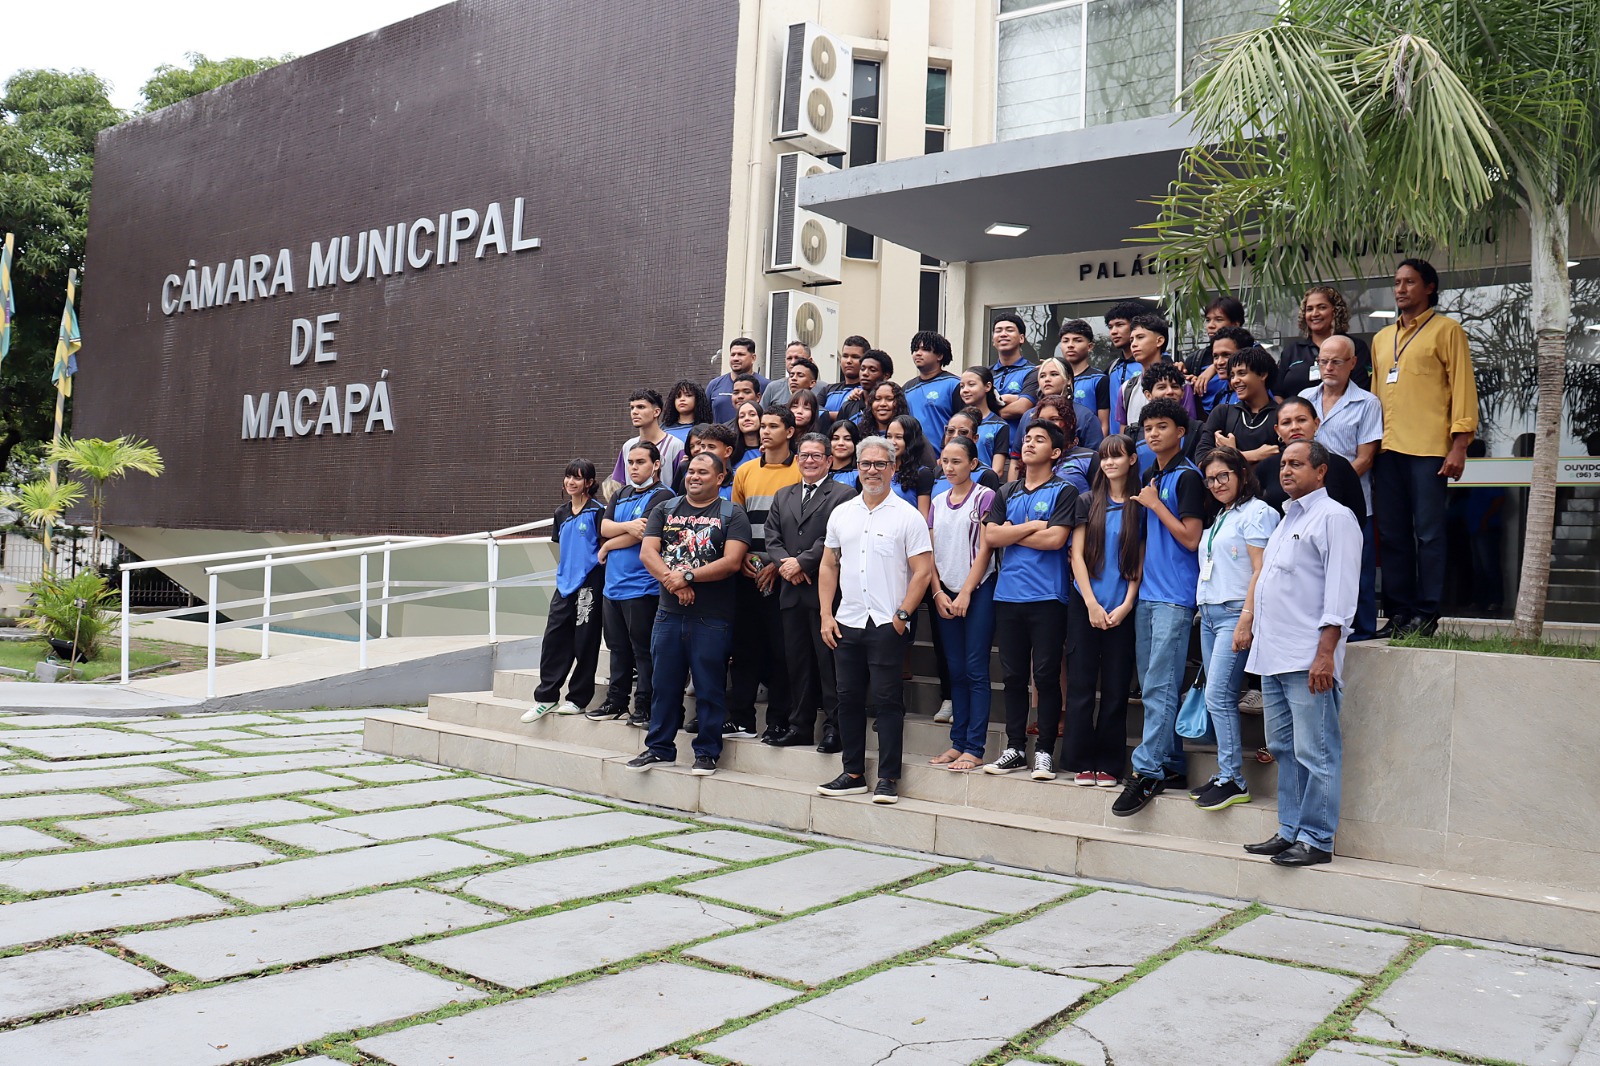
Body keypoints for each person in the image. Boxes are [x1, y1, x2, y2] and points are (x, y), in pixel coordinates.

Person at [1242, 440, 1361, 866]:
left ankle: (1317, 840)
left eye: (1296, 464)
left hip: (1308, 658)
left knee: (1317, 751)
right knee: (1285, 749)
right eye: (1283, 464)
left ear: (1321, 471)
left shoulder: (1335, 518)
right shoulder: (1285, 519)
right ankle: (1289, 830)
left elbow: (1341, 592)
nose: (1285, 471)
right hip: (1273, 657)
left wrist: (1326, 654)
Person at [817, 435, 935, 805]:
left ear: (893, 468)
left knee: (887, 702)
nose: (872, 470)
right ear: (857, 467)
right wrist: (825, 614)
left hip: (887, 623)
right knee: (847, 699)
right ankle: (852, 773)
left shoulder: (908, 516)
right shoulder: (842, 513)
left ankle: (887, 778)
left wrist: (902, 616)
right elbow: (828, 564)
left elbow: (923, 571)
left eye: (880, 464)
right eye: (865, 464)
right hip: (847, 620)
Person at [1370, 258, 1479, 638]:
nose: (1401, 289)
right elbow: (1374, 398)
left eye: (1410, 282)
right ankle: (1399, 612)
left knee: (1429, 534)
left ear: (1429, 287)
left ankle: (1427, 614)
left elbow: (1463, 387)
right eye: (1397, 282)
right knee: (1394, 534)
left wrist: (1460, 444)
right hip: (1387, 449)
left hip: (1431, 448)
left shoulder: (1447, 331)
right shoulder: (1382, 339)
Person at [626, 453, 753, 776]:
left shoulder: (732, 513)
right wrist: (674, 580)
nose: (694, 476)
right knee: (664, 685)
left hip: (712, 618)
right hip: (668, 615)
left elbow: (732, 562)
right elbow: (648, 551)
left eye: (703, 472)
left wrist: (689, 577)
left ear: (720, 478)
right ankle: (659, 748)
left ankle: (707, 752)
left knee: (709, 688)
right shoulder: (666, 508)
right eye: (691, 471)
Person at [1113, 398, 1205, 817]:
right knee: (1153, 684)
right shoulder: (1152, 474)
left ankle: (1146, 770)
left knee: (1161, 685)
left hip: (1175, 596)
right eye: (1148, 427)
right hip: (1148, 593)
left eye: (1162, 426)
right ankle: (1170, 764)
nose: (1152, 434)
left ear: (1180, 432)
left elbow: (1190, 538)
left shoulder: (1187, 477)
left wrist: (1154, 505)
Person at [982, 420, 1078, 781]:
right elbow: (991, 535)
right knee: (1012, 676)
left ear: (1055, 452)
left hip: (1048, 597)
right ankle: (1014, 747)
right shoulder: (1007, 491)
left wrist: (1011, 533)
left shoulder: (1064, 491)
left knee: (1046, 677)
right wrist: (1034, 526)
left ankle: (1045, 753)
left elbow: (1055, 541)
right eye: (1027, 438)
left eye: (1039, 440)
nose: (1029, 443)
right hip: (1008, 596)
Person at [1189, 446, 1279, 810]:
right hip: (1209, 615)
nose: (1216, 484)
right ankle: (1225, 774)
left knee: (1218, 697)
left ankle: (1234, 779)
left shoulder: (1258, 512)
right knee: (1220, 698)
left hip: (1233, 614)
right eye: (1210, 479)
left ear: (1242, 473)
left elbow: (1261, 570)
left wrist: (1247, 617)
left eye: (1222, 476)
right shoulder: (1223, 515)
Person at [764, 432, 856, 751]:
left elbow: (833, 536)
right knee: (798, 662)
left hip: (825, 592)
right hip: (790, 591)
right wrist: (785, 564)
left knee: (828, 663)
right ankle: (800, 725)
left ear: (829, 460)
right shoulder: (783, 495)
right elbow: (772, 536)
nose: (809, 461)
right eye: (804, 455)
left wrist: (802, 563)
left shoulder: (844, 494)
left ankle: (835, 728)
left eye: (817, 455)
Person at [1065, 434, 1144, 786]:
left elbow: (1139, 560)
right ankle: (1082, 760)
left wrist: (1127, 604)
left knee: (1115, 689)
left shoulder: (1140, 504)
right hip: (1086, 606)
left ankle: (1110, 764)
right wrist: (1091, 603)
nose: (1109, 462)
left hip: (1122, 609)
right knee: (1081, 686)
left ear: (1132, 460)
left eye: (1117, 456)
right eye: (1104, 456)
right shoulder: (1086, 500)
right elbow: (1076, 556)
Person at [1302, 334, 1384, 640]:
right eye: (1323, 361)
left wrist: (1331, 484)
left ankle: (1361, 629)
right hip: (1309, 503)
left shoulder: (1367, 403)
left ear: (1352, 363)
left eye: (1336, 361)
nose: (1329, 367)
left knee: (1356, 569)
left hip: (1353, 501)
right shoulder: (1305, 399)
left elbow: (1365, 458)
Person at [729, 406, 802, 741]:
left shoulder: (801, 470)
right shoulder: (744, 471)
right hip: (746, 572)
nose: (765, 431)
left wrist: (777, 562)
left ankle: (778, 720)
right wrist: (741, 554)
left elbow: (800, 527)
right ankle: (741, 718)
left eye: (773, 426)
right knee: (744, 648)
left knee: (781, 650)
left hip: (784, 571)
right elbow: (737, 520)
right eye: (763, 426)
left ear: (789, 431)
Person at [927, 436, 998, 773]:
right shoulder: (938, 501)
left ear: (973, 464)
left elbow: (986, 549)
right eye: (945, 461)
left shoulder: (985, 497)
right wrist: (938, 592)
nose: (950, 467)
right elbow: (929, 552)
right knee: (955, 670)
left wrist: (967, 591)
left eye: (957, 461)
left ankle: (975, 746)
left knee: (975, 669)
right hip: (945, 591)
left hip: (978, 590)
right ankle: (958, 743)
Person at [592, 442, 673, 725]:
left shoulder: (663, 495)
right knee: (617, 648)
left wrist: (608, 545)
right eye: (631, 462)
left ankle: (645, 706)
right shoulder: (622, 493)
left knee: (643, 649)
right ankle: (616, 702)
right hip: (612, 586)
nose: (635, 467)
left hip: (642, 587)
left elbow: (646, 533)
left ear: (656, 464)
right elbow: (604, 526)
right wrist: (624, 529)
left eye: (641, 462)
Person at [522, 460, 605, 722]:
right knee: (554, 640)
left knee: (585, 642)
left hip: (589, 585)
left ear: (589, 483)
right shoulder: (560, 513)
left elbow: (603, 547)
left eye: (577, 478)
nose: (571, 482)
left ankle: (578, 700)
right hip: (564, 585)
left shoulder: (598, 511)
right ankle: (546, 698)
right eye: (568, 477)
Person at [1254, 398, 1368, 524]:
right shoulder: (1266, 467)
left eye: (1302, 420)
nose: (1295, 427)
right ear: (1277, 430)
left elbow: (1356, 517)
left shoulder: (1339, 465)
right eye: (1286, 422)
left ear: (1316, 423)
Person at [1277, 285, 1372, 398]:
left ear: (1335, 311)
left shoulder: (1355, 347)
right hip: (1296, 414)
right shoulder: (1292, 351)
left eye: (1321, 307)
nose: (1315, 313)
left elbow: (1361, 390)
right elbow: (1278, 393)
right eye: (1309, 309)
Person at [1196, 345, 1280, 465]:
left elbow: (1288, 455)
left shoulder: (1282, 415)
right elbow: (1201, 460)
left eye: (1242, 373)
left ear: (1262, 374)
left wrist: (1224, 454)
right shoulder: (1222, 413)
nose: (1235, 380)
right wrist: (1249, 455)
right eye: (1232, 375)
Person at [1111, 313, 1180, 436]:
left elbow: (1190, 432)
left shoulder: (1179, 384)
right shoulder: (1126, 388)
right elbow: (1124, 437)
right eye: (1132, 339)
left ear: (1159, 341)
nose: (1134, 344)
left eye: (1140, 337)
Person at [610, 389, 686, 492]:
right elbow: (621, 484)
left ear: (656, 412)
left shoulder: (675, 446)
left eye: (641, 407)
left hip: (665, 506)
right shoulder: (628, 446)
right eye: (632, 408)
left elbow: (683, 486)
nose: (634, 412)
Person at [1133, 362, 1202, 474]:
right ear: (1148, 395)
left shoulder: (1198, 430)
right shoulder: (1134, 433)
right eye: (1162, 387)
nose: (1170, 392)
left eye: (1175, 386)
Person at [1104, 299, 1159, 433]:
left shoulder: (1159, 365)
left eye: (1119, 325)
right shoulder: (1113, 367)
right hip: (1117, 446)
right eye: (1110, 327)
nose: (1113, 332)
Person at [903, 331, 963, 448]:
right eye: (915, 349)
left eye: (925, 349)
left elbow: (963, 424)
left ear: (939, 356)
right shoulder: (906, 388)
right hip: (913, 460)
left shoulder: (955, 384)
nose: (918, 354)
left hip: (944, 460)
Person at [1059, 319, 1110, 436]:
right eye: (1065, 341)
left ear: (1090, 346)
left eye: (1077, 340)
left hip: (1088, 446)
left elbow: (1104, 424)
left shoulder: (1099, 379)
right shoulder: (1053, 379)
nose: (1070, 345)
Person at [989, 314, 1039, 430]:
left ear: (1021, 338)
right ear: (993, 340)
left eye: (1009, 330)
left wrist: (987, 410)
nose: (1003, 334)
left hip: (1019, 445)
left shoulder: (1033, 372)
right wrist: (1015, 399)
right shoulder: (984, 374)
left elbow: (1022, 408)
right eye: (998, 331)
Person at [959, 367, 1011, 478]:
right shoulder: (955, 423)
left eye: (971, 384)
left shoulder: (999, 426)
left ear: (987, 386)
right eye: (962, 386)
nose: (965, 390)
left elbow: (997, 470)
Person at [1193, 325, 1255, 415]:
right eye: (1215, 356)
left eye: (1226, 355)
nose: (1219, 362)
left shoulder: (1254, 394)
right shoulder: (1221, 394)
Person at [707, 338, 768, 424]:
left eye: (741, 354)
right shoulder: (714, 385)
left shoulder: (767, 386)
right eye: (733, 355)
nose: (735, 358)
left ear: (753, 358)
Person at [885, 415, 936, 518]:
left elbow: (923, 517)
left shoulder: (922, 474)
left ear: (911, 441)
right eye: (889, 436)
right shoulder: (881, 470)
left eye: (899, 437)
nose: (892, 442)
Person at [839, 350, 893, 425]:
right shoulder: (848, 406)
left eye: (872, 370)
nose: (865, 373)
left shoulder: (892, 406)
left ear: (886, 375)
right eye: (862, 369)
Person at [688, 421, 739, 500]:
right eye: (702, 446)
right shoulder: (690, 478)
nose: (705, 451)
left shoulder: (738, 481)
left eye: (711, 447)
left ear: (728, 451)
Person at [823, 335, 871, 417]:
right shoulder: (828, 390)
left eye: (855, 357)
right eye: (845, 356)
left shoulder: (869, 392)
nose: (849, 361)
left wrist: (827, 415)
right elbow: (815, 413)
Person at [662, 380, 713, 446]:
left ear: (698, 399)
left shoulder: (708, 429)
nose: (682, 399)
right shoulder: (664, 429)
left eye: (688, 395)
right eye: (678, 396)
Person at [762, 341, 812, 407]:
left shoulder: (822, 389)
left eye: (797, 358)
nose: (793, 362)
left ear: (810, 360)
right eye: (789, 358)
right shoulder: (773, 388)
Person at [828, 419, 862, 490]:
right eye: (835, 438)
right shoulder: (819, 472)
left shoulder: (860, 475)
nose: (840, 443)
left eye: (847, 439)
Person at [731, 399, 764, 469]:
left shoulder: (770, 450)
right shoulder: (731, 452)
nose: (747, 419)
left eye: (752, 415)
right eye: (742, 416)